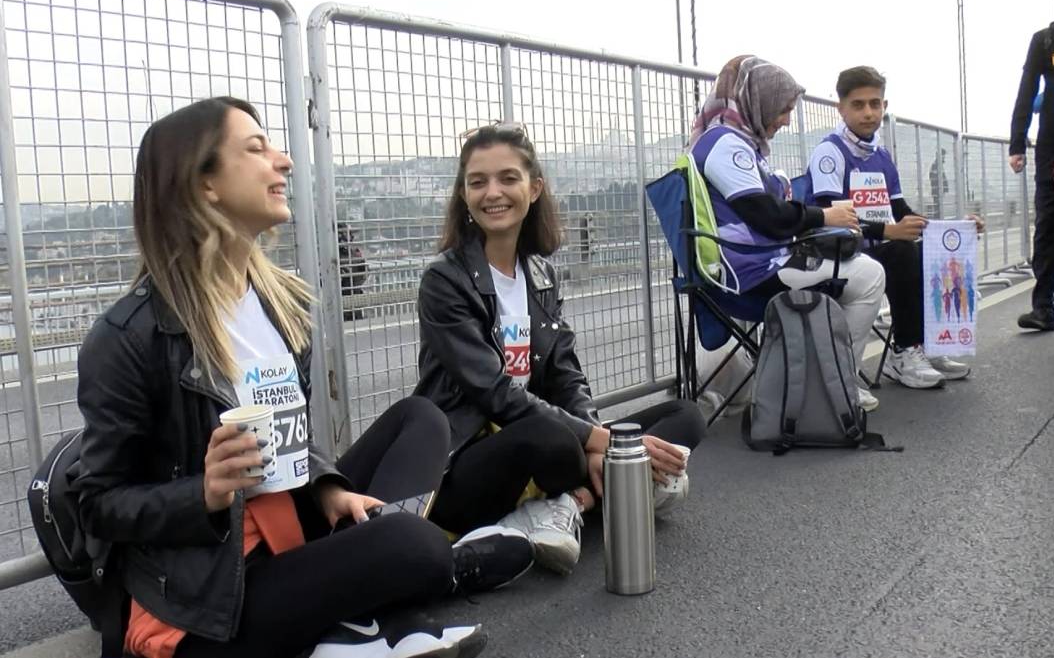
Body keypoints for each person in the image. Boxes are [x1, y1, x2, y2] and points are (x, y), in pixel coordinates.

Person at [71, 97, 535, 658]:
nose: (283, 161)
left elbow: (291, 441)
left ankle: (363, 612)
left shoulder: (279, 304)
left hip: (288, 534)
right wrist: (204, 493)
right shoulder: (130, 334)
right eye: (256, 149)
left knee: (420, 418)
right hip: (210, 594)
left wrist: (329, 489)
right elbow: (96, 503)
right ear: (205, 185)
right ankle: (402, 599)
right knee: (414, 545)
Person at [414, 122, 704, 575]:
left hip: (541, 441)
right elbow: (494, 393)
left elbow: (566, 374)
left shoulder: (541, 274)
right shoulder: (444, 280)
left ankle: (569, 502)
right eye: (478, 181)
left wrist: (594, 439)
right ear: (464, 195)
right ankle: (614, 490)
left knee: (686, 415)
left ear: (534, 188)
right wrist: (601, 442)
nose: (493, 192)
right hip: (470, 461)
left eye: (508, 178)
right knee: (554, 439)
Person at [687, 55, 886, 411]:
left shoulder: (730, 140)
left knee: (856, 265)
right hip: (752, 272)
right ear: (756, 101)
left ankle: (818, 376)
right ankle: (834, 384)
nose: (786, 119)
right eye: (782, 109)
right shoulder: (726, 145)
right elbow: (767, 216)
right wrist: (825, 215)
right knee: (870, 275)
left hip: (752, 263)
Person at [803, 66, 978, 389]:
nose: (868, 113)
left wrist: (953, 229)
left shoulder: (881, 155)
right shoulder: (830, 152)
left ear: (885, 105)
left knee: (932, 252)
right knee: (901, 251)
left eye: (875, 103)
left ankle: (931, 344)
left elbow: (901, 212)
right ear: (840, 108)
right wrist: (886, 232)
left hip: (874, 247)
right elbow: (830, 215)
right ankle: (904, 353)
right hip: (837, 250)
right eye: (858, 105)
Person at [1009, 11, 1054, 331]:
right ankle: (1043, 308)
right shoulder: (1045, 40)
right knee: (1046, 228)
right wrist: (1017, 142)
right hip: (1050, 149)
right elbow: (1027, 90)